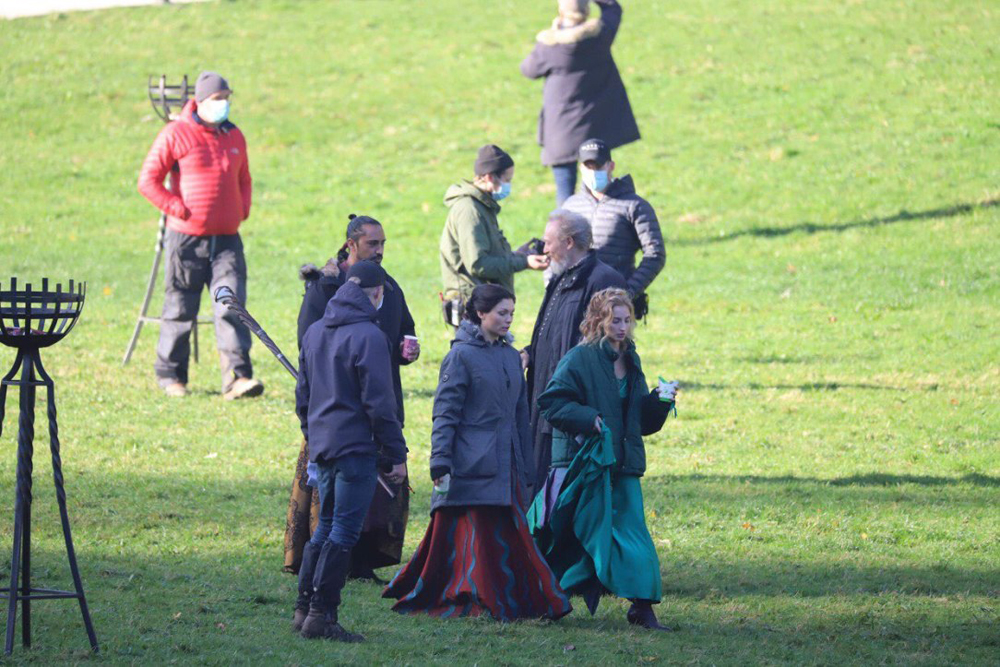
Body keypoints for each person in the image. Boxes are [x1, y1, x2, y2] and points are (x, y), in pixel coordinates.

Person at [382, 285, 571, 621]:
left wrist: (526, 465)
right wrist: (440, 461)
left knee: (510, 536)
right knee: (475, 539)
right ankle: (474, 595)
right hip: (472, 463)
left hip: (507, 464)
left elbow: (520, 416)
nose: (508, 319)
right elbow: (445, 413)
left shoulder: (511, 357)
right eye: (502, 313)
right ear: (481, 313)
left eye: (511, 313)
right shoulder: (460, 357)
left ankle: (512, 597)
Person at [529, 288, 677, 630]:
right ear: (598, 321)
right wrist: (588, 418)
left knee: (634, 535)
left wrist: (660, 401)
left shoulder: (632, 359)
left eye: (627, 320)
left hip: (623, 465)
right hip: (588, 464)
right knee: (578, 536)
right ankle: (547, 598)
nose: (622, 327)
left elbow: (639, 422)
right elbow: (550, 402)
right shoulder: (579, 359)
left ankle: (643, 607)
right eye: (615, 321)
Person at [284, 215, 418, 582]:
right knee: (331, 513)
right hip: (336, 412)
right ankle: (322, 591)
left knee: (369, 500)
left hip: (376, 404)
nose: (379, 250)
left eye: (383, 243)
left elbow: (405, 327)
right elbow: (309, 348)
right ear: (351, 244)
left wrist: (407, 347)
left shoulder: (388, 285)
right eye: (373, 243)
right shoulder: (325, 288)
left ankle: (355, 567)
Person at [293, 260, 408, 642]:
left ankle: (303, 609)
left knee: (325, 526)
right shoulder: (370, 337)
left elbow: (303, 397)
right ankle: (322, 615)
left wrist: (314, 435)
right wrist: (395, 453)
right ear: (377, 294)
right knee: (342, 529)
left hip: (324, 446)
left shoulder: (315, 332)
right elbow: (380, 404)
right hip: (356, 448)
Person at [138, 70, 263, 400]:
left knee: (231, 306)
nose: (224, 104)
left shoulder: (234, 136)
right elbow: (148, 181)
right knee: (180, 307)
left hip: (227, 240)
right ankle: (171, 376)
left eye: (227, 98)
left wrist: (242, 209)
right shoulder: (176, 133)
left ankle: (238, 378)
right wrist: (177, 208)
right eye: (218, 99)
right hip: (187, 240)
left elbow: (245, 178)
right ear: (202, 100)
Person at [520, 210, 626, 495]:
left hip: (574, 405)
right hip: (547, 399)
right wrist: (531, 353)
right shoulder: (561, 277)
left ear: (568, 242)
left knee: (564, 491)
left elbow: (607, 345)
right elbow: (553, 332)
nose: (544, 249)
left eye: (548, 242)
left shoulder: (602, 280)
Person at [520, 0, 640, 205]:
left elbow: (528, 70)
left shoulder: (549, 46)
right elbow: (613, 8)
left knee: (565, 192)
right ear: (586, 10)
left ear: (561, 10)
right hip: (596, 127)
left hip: (561, 130)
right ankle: (607, 223)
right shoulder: (600, 36)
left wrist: (554, 31)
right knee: (600, 188)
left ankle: (566, 227)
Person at [439, 144, 549, 325]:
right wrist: (524, 262)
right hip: (473, 308)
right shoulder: (469, 210)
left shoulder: (482, 206)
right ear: (490, 177)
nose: (509, 185)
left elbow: (486, 254)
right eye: (507, 179)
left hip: (483, 304)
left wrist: (518, 255)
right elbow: (478, 264)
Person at [562, 139, 666, 319]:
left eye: (598, 166)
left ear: (611, 166)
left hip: (614, 313)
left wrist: (626, 294)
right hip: (575, 306)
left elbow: (655, 254)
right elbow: (557, 251)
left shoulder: (635, 206)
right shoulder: (570, 206)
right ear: (580, 168)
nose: (593, 172)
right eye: (588, 167)